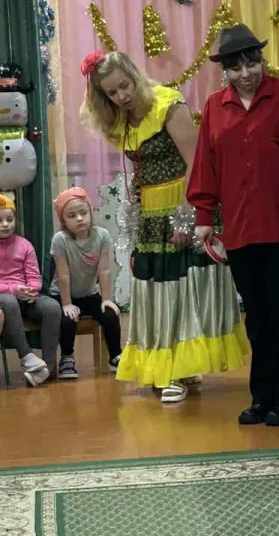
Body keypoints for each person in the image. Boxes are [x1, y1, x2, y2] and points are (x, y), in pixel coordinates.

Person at [80, 50, 248, 403]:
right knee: (158, 291)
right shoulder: (122, 120)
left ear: (135, 76)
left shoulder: (167, 105)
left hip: (182, 203)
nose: (122, 95)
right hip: (151, 214)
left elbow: (197, 162)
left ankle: (177, 369)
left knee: (182, 289)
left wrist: (188, 214)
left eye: (125, 85)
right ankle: (175, 367)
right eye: (112, 92)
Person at [188, 24, 279, 426]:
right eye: (236, 67)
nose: (246, 73)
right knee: (257, 318)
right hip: (240, 232)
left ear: (262, 60)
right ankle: (263, 396)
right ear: (225, 70)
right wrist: (204, 216)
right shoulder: (215, 106)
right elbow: (206, 163)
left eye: (252, 63)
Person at [50, 187, 122, 379]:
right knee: (67, 319)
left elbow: (104, 270)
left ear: (90, 212)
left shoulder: (102, 236)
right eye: (72, 215)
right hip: (63, 294)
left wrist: (106, 299)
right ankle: (67, 357)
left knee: (110, 315)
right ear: (63, 220)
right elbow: (63, 274)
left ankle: (115, 356)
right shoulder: (60, 240)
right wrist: (66, 303)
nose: (79, 218)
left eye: (83, 213)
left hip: (89, 294)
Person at [0, 192, 59, 385]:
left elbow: (34, 276)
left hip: (25, 296)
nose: (5, 224)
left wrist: (32, 290)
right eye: (0, 221)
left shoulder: (24, 245)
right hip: (4, 298)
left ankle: (47, 368)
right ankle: (27, 357)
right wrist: (13, 289)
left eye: (9, 219)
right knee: (8, 301)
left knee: (51, 307)